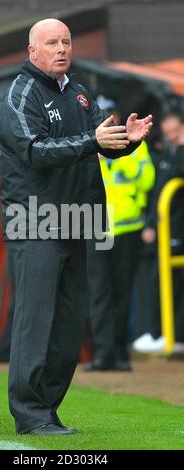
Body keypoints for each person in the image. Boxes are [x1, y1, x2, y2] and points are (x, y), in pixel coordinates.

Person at [0, 18, 152, 436]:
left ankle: (46, 409)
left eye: (66, 41)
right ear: (32, 51)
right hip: (34, 220)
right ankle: (29, 413)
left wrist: (129, 138)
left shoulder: (79, 94)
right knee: (36, 322)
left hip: (77, 221)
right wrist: (92, 142)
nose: (62, 48)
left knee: (68, 326)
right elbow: (34, 151)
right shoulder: (20, 94)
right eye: (52, 42)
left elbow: (104, 139)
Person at [85, 99, 155, 372]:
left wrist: (119, 157)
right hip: (97, 229)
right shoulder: (88, 145)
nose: (108, 121)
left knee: (123, 292)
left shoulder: (135, 144)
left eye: (110, 115)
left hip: (127, 229)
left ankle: (120, 354)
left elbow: (147, 179)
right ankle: (103, 355)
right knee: (100, 293)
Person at [133, 111, 184, 352]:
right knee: (156, 279)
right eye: (169, 133)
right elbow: (157, 194)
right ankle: (159, 332)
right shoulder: (166, 155)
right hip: (165, 227)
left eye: (176, 131)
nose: (173, 137)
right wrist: (151, 224)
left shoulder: (178, 155)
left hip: (177, 229)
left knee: (172, 281)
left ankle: (168, 334)